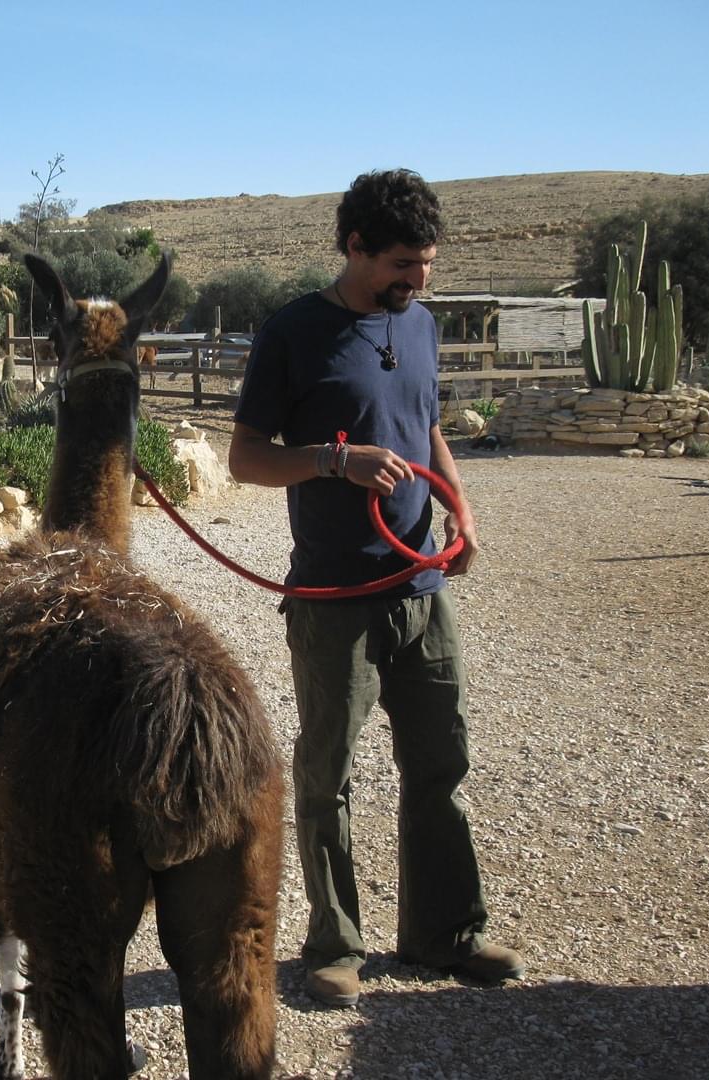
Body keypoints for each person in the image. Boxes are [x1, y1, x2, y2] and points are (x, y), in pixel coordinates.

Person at [229, 168, 523, 1009]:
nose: (418, 279)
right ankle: (335, 946)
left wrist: (460, 510)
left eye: (426, 263)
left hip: (421, 583)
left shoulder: (418, 324)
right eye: (402, 264)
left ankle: (446, 933)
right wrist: (333, 459)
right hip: (335, 598)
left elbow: (426, 426)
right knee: (328, 777)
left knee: (440, 763)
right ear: (354, 246)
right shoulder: (295, 332)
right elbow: (245, 459)